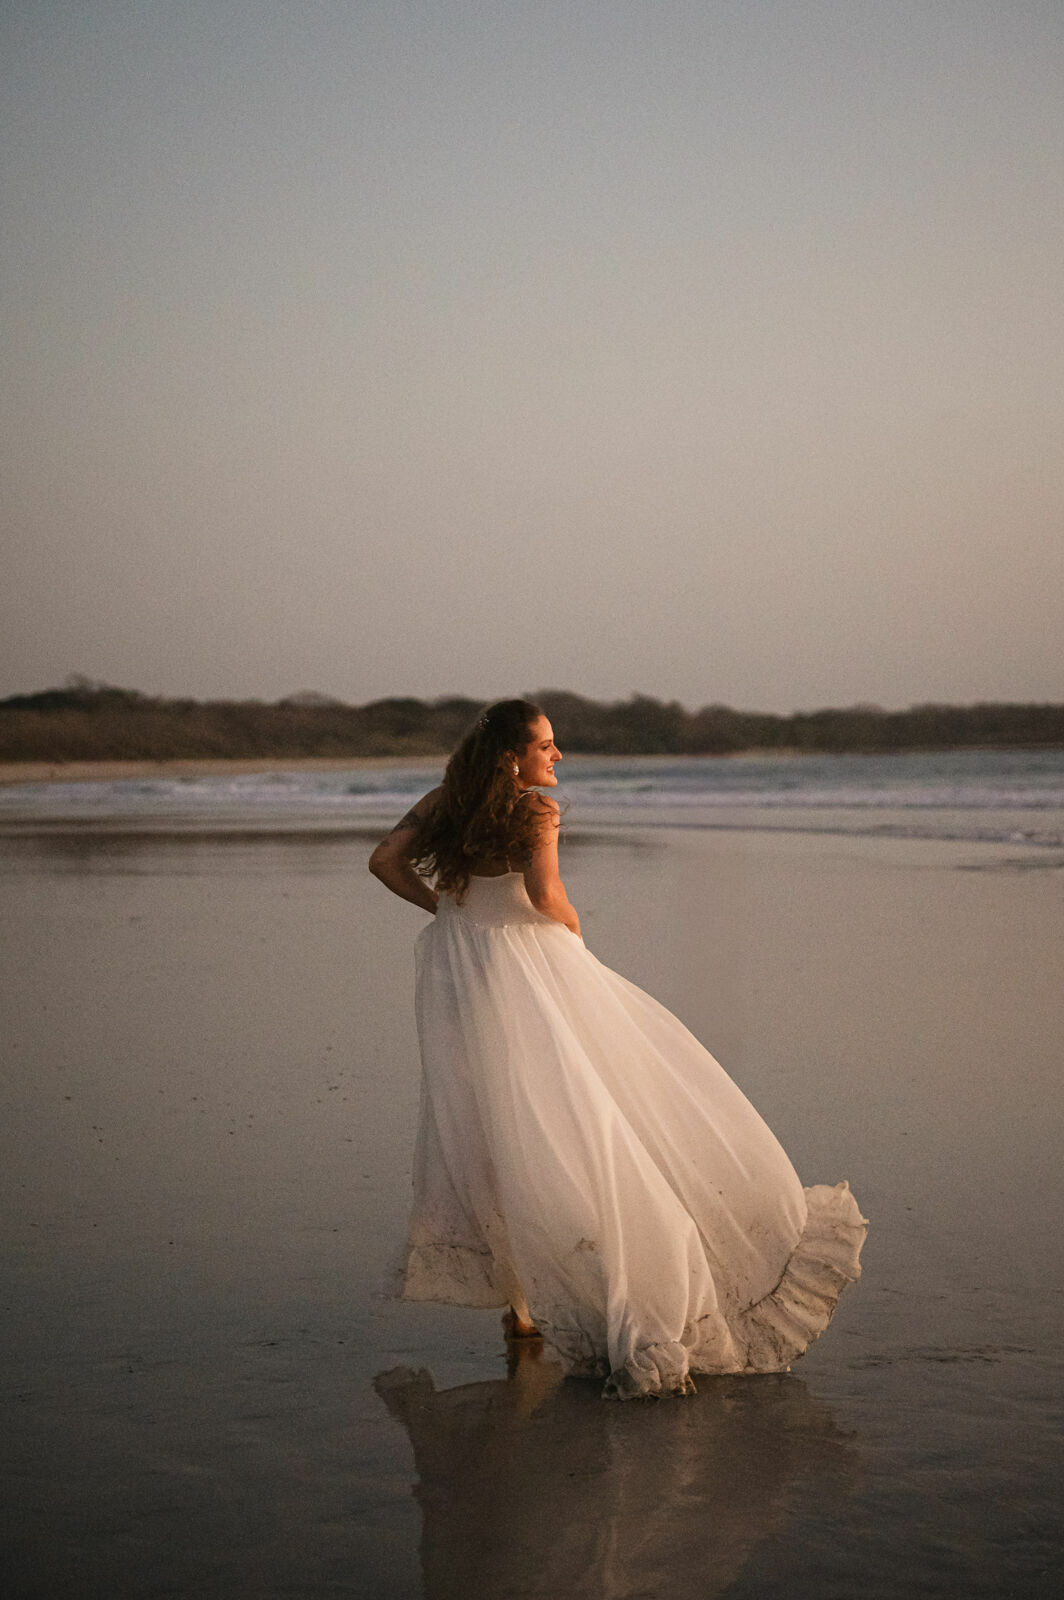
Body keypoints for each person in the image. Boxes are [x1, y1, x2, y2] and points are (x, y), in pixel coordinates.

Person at [369, 699, 867, 1399]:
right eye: (547, 744)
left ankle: (522, 1307)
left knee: (497, 1126)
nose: (558, 756)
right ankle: (611, 1282)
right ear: (514, 756)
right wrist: (576, 939)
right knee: (577, 1116)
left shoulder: (442, 802)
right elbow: (546, 895)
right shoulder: (535, 812)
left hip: (461, 975)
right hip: (531, 969)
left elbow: (383, 860)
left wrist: (449, 914)